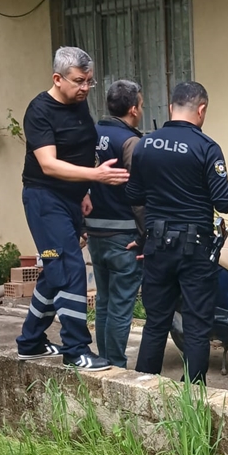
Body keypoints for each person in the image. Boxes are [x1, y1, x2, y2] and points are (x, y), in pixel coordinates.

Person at [16, 47, 128, 371]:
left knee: (55, 268)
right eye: (79, 81)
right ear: (57, 78)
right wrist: (96, 176)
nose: (85, 88)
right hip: (44, 202)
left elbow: (82, 149)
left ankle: (30, 342)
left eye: (89, 81)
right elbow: (49, 165)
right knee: (69, 267)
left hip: (70, 201)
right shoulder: (39, 110)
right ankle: (76, 349)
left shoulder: (79, 105)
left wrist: (85, 191)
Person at [125, 81, 228, 384]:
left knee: (156, 323)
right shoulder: (207, 147)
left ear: (171, 107)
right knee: (197, 326)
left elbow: (133, 195)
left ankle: (143, 390)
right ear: (202, 109)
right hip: (195, 248)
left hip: (157, 246)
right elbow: (224, 202)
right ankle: (193, 397)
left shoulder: (145, 145)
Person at [86, 80, 144, 369]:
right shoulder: (130, 142)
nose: (141, 110)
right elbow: (138, 194)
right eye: (141, 105)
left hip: (95, 231)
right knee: (121, 305)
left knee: (104, 301)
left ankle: (103, 361)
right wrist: (146, 234)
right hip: (124, 234)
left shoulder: (91, 134)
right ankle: (116, 364)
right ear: (133, 109)